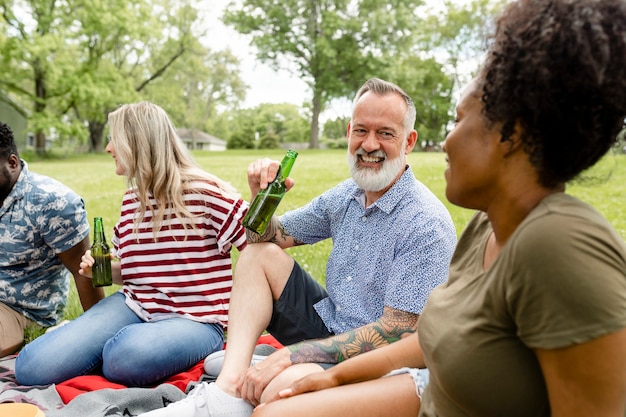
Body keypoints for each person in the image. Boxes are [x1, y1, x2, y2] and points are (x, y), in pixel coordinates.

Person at [245, 1, 626, 416]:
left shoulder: (559, 245)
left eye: (460, 121)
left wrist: (310, 365)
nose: (445, 142)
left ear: (512, 135)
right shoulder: (485, 228)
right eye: (361, 130)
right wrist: (331, 376)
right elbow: (428, 338)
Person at [140, 78, 458, 417]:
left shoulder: (425, 223)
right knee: (257, 257)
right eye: (361, 131)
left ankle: (257, 374)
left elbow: (399, 331)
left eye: (385, 133)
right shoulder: (345, 196)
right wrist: (260, 197)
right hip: (330, 325)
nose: (369, 144)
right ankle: (227, 390)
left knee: (278, 393)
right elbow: (266, 239)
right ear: (349, 131)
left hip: (377, 360)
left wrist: (296, 355)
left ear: (409, 141)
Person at [15, 102, 249, 387]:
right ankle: (112, 346)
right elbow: (131, 273)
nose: (108, 148)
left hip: (196, 320)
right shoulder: (131, 200)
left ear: (137, 142)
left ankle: (128, 348)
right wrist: (99, 271)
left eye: (114, 138)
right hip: (134, 306)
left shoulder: (207, 192)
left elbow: (259, 248)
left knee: (122, 359)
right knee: (31, 367)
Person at [0, 122, 103, 358]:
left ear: (12, 163)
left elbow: (83, 271)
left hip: (21, 311)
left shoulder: (53, 203)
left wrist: (97, 336)